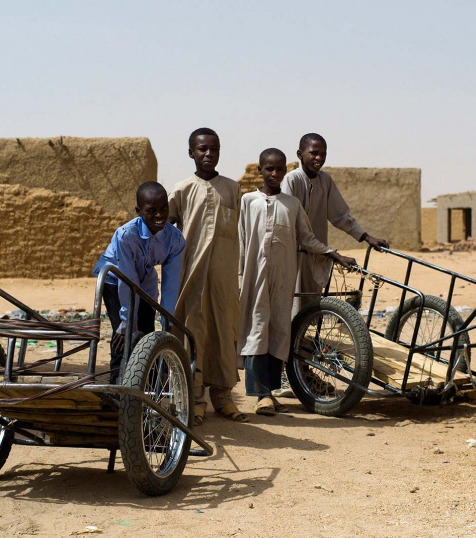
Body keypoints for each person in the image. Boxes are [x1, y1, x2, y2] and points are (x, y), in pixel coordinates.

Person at [237, 148, 356, 415]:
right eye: (269, 169)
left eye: (280, 169)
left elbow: (307, 237)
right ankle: (261, 394)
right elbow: (242, 243)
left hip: (283, 277)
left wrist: (332, 253)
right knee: (257, 328)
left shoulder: (291, 205)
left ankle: (271, 389)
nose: (275, 174)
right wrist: (240, 278)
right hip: (254, 277)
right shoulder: (248, 202)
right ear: (261, 170)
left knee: (279, 328)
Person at [275, 133, 390, 397]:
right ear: (300, 154)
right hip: (293, 258)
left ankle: (302, 369)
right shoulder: (291, 181)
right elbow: (296, 226)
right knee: (291, 313)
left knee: (310, 314)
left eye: (322, 154)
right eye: (313, 153)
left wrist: (366, 237)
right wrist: (332, 253)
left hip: (315, 258)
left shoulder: (325, 181)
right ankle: (286, 374)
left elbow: (340, 215)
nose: (318, 158)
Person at [168, 128, 248, 425]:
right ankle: (196, 397)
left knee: (224, 335)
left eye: (214, 149)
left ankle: (223, 398)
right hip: (193, 280)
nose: (208, 154)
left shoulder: (231, 189)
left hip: (224, 280)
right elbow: (165, 227)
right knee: (195, 334)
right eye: (202, 149)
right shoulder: (181, 190)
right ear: (192, 152)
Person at [93, 182, 185, 384]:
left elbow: (170, 284)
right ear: (138, 211)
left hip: (144, 277)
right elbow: (127, 279)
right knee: (124, 334)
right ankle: (117, 380)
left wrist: (167, 321)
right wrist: (127, 320)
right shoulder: (126, 235)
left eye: (163, 209)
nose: (159, 215)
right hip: (115, 278)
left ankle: (148, 384)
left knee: (146, 332)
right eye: (151, 211)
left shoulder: (175, 239)